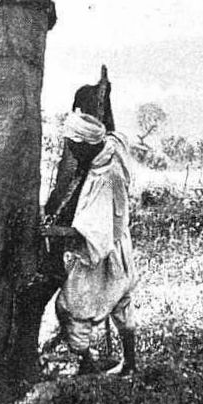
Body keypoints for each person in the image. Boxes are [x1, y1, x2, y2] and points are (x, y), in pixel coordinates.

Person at [46, 109, 138, 376]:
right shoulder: (110, 150)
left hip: (100, 254)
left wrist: (51, 232)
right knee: (121, 302)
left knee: (70, 306)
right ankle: (129, 363)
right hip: (119, 247)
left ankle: (87, 362)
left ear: (86, 144)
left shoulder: (105, 178)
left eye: (73, 146)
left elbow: (92, 232)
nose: (71, 151)